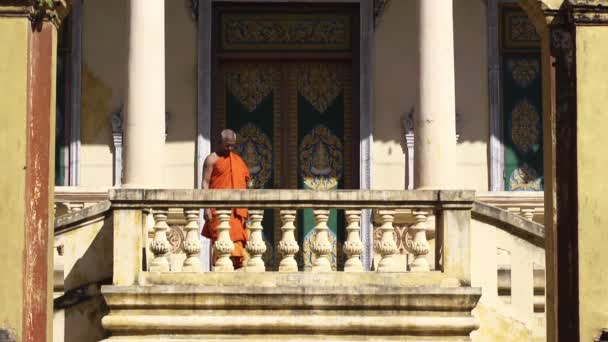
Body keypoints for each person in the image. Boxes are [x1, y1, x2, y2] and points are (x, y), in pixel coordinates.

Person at [201, 129, 250, 269]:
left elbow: (245, 182)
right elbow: (205, 182)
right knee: (222, 242)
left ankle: (236, 267)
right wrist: (206, 208)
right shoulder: (212, 159)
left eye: (232, 145)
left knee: (238, 243)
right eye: (227, 145)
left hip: (236, 211)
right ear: (219, 142)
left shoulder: (237, 161)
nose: (230, 148)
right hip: (218, 210)